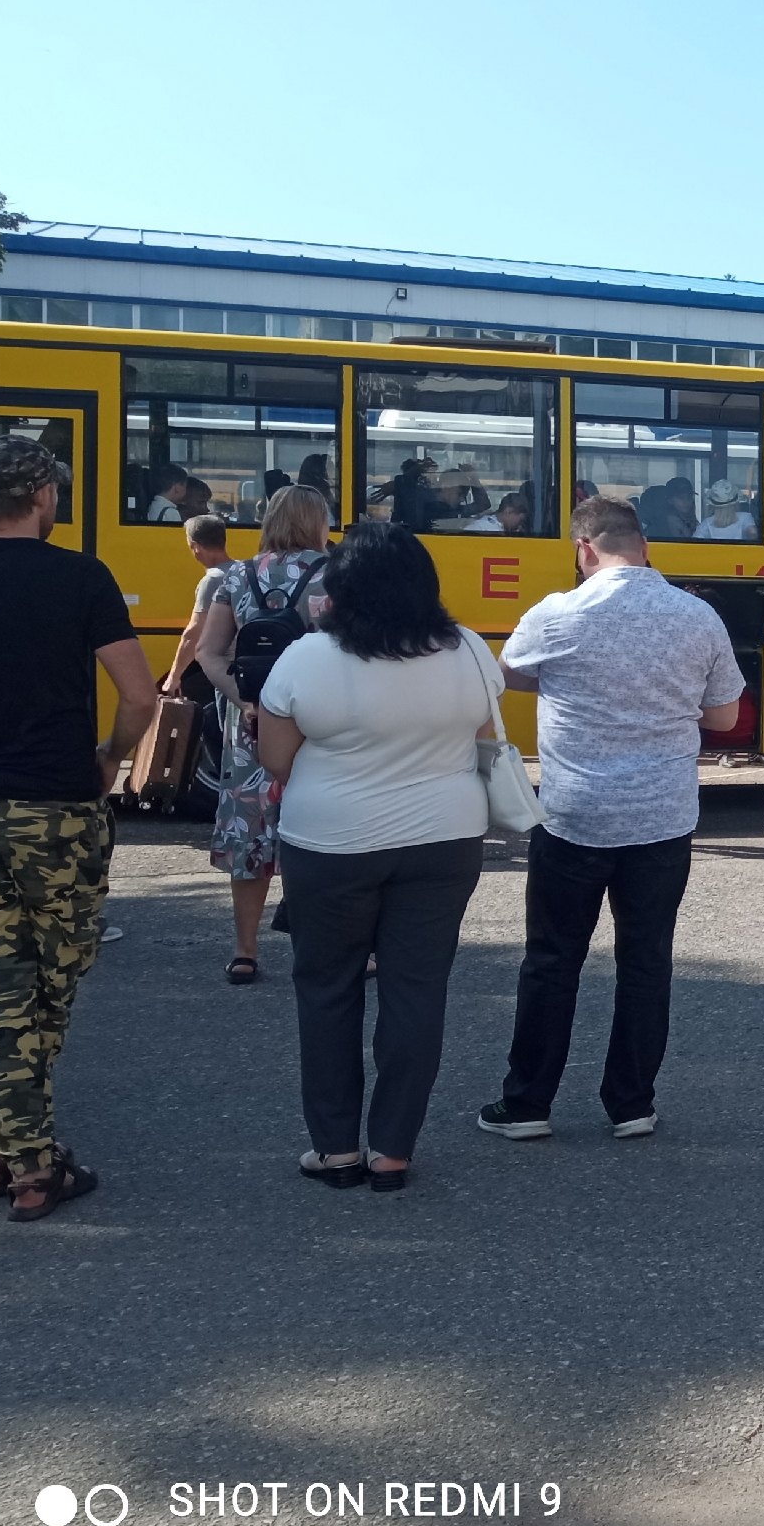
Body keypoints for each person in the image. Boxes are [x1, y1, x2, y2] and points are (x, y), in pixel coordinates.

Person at [474, 497, 743, 1144]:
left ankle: (528, 1103)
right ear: (644, 546)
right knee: (646, 962)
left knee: (551, 960)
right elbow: (725, 720)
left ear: (584, 549)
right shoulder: (697, 616)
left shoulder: (557, 613)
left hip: (574, 815)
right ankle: (632, 1104)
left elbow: (504, 678)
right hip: (662, 814)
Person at [255, 522, 497, 1193]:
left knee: (328, 989)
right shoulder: (471, 651)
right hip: (446, 839)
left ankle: (335, 1150)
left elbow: (276, 759)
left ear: (342, 588)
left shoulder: (309, 657)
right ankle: (393, 1149)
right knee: (416, 991)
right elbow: (479, 736)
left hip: (332, 843)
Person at [0, 436, 154, 1221]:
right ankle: (35, 1166)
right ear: (41, 496)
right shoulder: (79, 577)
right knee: (50, 984)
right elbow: (139, 696)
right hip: (55, 806)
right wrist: (111, 757)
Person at [194, 486, 333, 986]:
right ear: (318, 521)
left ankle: (245, 951)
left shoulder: (237, 574)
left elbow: (210, 652)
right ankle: (337, 951)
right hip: (320, 726)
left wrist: (247, 700)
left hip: (250, 726)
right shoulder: (337, 574)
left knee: (250, 832)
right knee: (325, 835)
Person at [163, 512, 234, 691]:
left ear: (195, 546)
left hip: (223, 671)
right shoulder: (243, 571)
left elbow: (194, 632)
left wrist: (174, 676)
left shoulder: (213, 580)